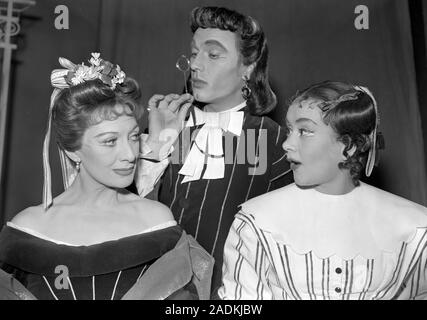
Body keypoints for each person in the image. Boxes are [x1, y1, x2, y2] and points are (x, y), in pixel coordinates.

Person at [0, 53, 213, 300]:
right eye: (110, 141)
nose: (130, 154)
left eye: (133, 137)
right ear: (72, 149)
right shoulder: (26, 231)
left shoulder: (156, 222)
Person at [219, 81, 427, 300]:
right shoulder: (256, 222)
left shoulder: (414, 228)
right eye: (290, 130)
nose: (286, 144)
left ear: (348, 146)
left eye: (304, 131)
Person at [136, 6, 293, 295]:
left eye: (213, 54)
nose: (196, 65)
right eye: (194, 54)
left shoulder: (271, 140)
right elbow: (132, 217)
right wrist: (156, 146)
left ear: (248, 66)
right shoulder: (172, 128)